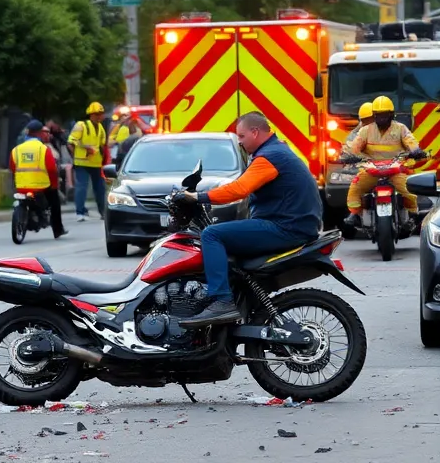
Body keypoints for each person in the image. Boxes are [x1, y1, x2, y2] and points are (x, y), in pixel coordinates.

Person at [178, 112, 322, 327]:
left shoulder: (269, 157)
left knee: (212, 235)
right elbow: (243, 184)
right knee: (225, 234)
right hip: (293, 224)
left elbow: (239, 189)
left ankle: (222, 301)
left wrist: (196, 197)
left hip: (286, 227)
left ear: (255, 132)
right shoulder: (275, 152)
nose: (240, 141)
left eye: (242, 136)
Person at [342, 96, 426, 229]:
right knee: (355, 188)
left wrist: (416, 151)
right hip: (371, 170)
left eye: (385, 115)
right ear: (374, 115)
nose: (381, 119)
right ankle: (355, 215)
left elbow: (410, 141)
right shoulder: (366, 130)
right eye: (378, 115)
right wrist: (349, 156)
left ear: (391, 115)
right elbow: (355, 147)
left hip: (396, 169)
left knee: (408, 190)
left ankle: (412, 215)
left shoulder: (401, 128)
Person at [9, 119, 67, 239]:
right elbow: (52, 169)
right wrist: (54, 184)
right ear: (39, 133)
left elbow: (12, 167)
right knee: (55, 202)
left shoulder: (16, 149)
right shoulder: (43, 149)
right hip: (41, 187)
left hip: (21, 187)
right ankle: (58, 230)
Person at [68, 101, 109, 221]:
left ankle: (102, 212)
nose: (99, 116)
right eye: (96, 114)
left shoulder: (101, 128)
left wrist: (104, 160)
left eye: (101, 114)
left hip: (96, 163)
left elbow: (102, 146)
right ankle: (79, 212)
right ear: (90, 114)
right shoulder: (81, 125)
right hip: (82, 162)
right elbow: (71, 142)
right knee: (82, 187)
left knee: (100, 188)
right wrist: (77, 155)